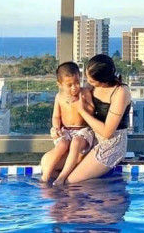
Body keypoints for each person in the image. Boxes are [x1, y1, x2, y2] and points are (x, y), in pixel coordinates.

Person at [65, 54, 132, 184]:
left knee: (71, 182)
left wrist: (81, 111)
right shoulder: (93, 85)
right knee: (53, 169)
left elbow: (108, 132)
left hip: (112, 142)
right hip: (91, 136)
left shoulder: (120, 92)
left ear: (103, 81)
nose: (88, 82)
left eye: (91, 81)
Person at [40, 61, 95, 185]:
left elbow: (92, 110)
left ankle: (62, 177)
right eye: (69, 85)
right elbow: (56, 116)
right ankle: (45, 176)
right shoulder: (59, 97)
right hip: (66, 130)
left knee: (75, 143)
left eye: (77, 82)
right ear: (60, 84)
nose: (74, 87)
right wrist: (56, 128)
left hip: (82, 130)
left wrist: (81, 104)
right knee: (62, 145)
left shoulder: (84, 93)